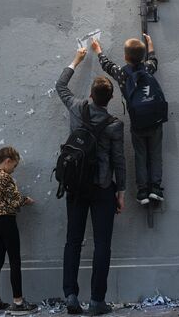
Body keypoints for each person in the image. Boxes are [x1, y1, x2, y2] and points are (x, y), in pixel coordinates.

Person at [56, 48, 126, 315]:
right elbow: (119, 160)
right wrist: (121, 192)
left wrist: (76, 59)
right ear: (109, 100)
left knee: (73, 241)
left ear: (90, 96)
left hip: (74, 186)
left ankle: (71, 296)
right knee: (102, 244)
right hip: (102, 188)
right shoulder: (114, 124)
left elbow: (60, 85)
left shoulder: (75, 107)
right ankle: (97, 301)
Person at [92, 34, 165, 205]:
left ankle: (142, 192)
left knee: (140, 155)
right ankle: (155, 188)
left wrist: (98, 50)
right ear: (143, 55)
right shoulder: (148, 68)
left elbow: (107, 65)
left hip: (138, 123)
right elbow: (154, 60)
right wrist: (151, 45)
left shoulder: (122, 73)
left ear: (125, 57)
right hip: (155, 120)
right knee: (155, 154)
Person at [0, 146, 38, 316]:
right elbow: (14, 200)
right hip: (7, 222)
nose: (14, 170)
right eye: (14, 166)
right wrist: (26, 200)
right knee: (14, 261)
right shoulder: (5, 178)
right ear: (7, 161)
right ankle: (18, 303)